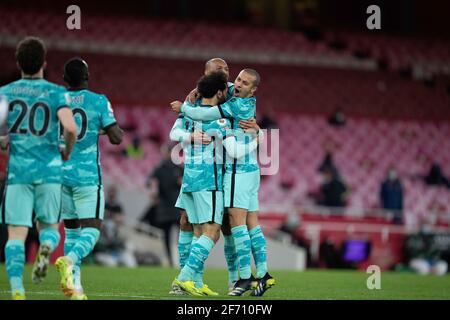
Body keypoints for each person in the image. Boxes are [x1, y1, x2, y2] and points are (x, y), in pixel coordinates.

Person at [173, 69, 275, 297]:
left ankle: (244, 278)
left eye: (243, 81)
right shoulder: (242, 99)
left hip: (236, 171)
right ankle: (264, 273)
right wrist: (200, 88)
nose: (236, 84)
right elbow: (225, 87)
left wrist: (184, 108)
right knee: (252, 222)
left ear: (253, 88)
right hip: (251, 170)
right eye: (236, 79)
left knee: (234, 224)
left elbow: (226, 141)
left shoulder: (231, 108)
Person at [0, 37, 77, 300]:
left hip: (18, 173)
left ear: (18, 62)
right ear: (44, 63)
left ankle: (17, 290)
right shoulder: (57, 93)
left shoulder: (5, 92)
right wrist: (66, 150)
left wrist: (4, 141)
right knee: (50, 229)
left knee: (16, 234)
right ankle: (45, 247)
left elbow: (0, 133)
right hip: (50, 172)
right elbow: (70, 127)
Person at [169, 58, 239, 294]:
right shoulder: (218, 116)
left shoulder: (193, 108)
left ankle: (196, 283)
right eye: (220, 71)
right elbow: (234, 149)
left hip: (191, 177)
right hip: (210, 181)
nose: (226, 74)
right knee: (211, 232)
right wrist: (257, 138)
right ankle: (183, 278)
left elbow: (176, 131)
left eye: (227, 70)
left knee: (200, 230)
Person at [56, 57, 124, 300]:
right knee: (92, 230)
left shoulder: (56, 100)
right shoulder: (98, 101)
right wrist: (110, 129)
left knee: (72, 232)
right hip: (87, 177)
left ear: (65, 79)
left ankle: (75, 288)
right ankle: (69, 261)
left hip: (61, 174)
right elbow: (116, 138)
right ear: (87, 77)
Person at [146, 143, 183, 267]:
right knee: (166, 235)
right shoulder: (160, 168)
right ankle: (171, 260)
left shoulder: (178, 168)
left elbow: (185, 182)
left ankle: (180, 259)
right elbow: (149, 181)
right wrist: (152, 188)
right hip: (165, 207)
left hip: (177, 206)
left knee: (181, 235)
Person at [95, 186, 137, 268]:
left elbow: (120, 219)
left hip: (116, 251)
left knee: (130, 261)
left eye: (113, 192)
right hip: (105, 252)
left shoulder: (118, 206)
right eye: (110, 192)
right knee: (112, 263)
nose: (112, 194)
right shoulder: (104, 205)